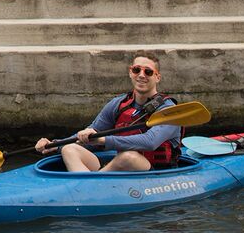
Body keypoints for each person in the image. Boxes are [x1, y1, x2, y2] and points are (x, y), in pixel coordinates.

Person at [35, 53, 180, 172]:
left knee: (128, 157)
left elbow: (150, 142)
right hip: (117, 169)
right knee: (70, 149)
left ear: (157, 77)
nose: (141, 75)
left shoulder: (168, 110)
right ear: (130, 72)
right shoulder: (118, 104)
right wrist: (55, 145)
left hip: (155, 172)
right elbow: (93, 133)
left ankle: (90, 183)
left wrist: (104, 141)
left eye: (148, 72)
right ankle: (90, 184)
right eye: (137, 70)